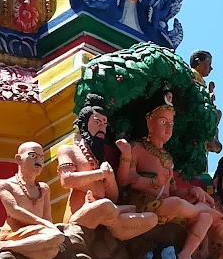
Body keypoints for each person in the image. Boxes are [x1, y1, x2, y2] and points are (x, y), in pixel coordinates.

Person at [116, 88, 221, 259]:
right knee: (181, 205)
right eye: (163, 121)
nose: (168, 128)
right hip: (144, 204)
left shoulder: (168, 158)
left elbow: (171, 190)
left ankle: (185, 255)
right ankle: (197, 209)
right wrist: (153, 181)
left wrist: (192, 190)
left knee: (204, 217)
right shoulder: (137, 148)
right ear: (149, 122)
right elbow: (125, 179)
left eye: (171, 123)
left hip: (167, 207)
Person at [55, 94, 157, 239]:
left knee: (150, 217)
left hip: (105, 211)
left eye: (104, 124)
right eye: (97, 122)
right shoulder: (68, 150)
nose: (102, 128)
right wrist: (100, 174)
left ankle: (113, 225)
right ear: (84, 124)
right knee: (106, 206)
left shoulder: (100, 158)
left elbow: (113, 196)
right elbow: (66, 180)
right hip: (81, 214)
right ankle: (115, 225)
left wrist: (109, 178)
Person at [0, 142, 67, 259]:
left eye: (41, 158)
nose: (39, 161)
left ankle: (24, 247)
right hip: (15, 233)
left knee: (52, 250)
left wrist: (49, 228)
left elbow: (47, 216)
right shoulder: (5, 184)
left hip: (38, 232)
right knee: (58, 236)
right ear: (19, 159)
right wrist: (47, 227)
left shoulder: (44, 188)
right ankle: (9, 246)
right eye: (33, 156)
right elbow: (14, 211)